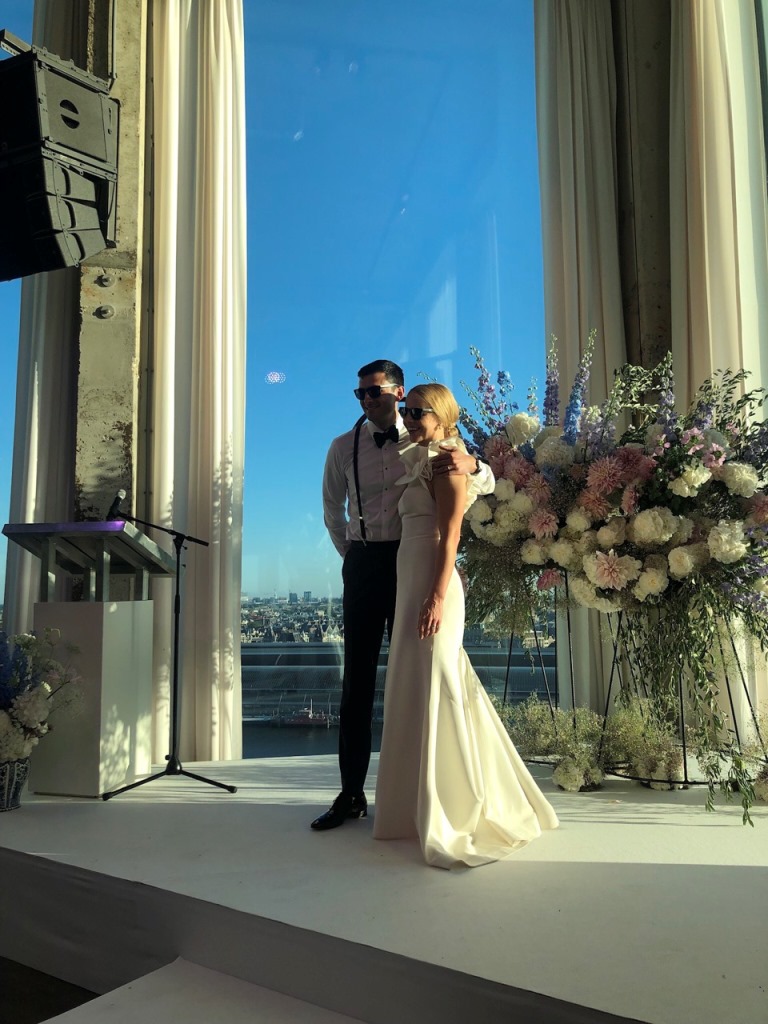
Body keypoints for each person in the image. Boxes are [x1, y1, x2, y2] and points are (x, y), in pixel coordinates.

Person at [373, 383, 559, 868]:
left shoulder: (446, 461)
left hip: (431, 583)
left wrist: (436, 595)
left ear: (442, 416)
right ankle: (415, 807)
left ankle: (455, 807)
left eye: (419, 411)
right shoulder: (425, 456)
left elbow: (451, 533)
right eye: (406, 410)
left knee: (439, 681)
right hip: (413, 578)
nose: (408, 417)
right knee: (419, 681)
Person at [312, 360, 495, 831]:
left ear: (398, 393)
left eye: (374, 392)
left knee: (417, 675)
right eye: (360, 394)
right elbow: (332, 509)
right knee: (357, 682)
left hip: (412, 562)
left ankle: (421, 793)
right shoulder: (341, 447)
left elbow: (480, 483)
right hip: (367, 563)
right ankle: (351, 793)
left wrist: (476, 463)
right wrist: (353, 556)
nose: (366, 400)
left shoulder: (426, 435)